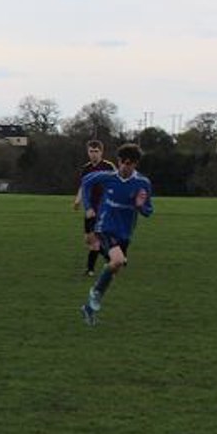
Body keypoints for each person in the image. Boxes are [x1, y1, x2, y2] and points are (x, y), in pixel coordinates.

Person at [79, 143, 153, 326]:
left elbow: (148, 211)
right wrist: (88, 207)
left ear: (135, 164)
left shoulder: (143, 183)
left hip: (124, 233)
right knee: (118, 260)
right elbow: (86, 182)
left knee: (115, 267)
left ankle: (89, 306)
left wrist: (140, 205)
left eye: (130, 163)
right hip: (105, 228)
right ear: (118, 161)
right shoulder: (107, 177)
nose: (125, 166)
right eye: (123, 162)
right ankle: (94, 295)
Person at [72, 139, 116, 276]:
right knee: (89, 239)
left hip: (104, 208)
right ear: (87, 152)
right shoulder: (86, 168)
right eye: (91, 151)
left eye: (96, 151)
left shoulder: (109, 167)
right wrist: (78, 200)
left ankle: (90, 269)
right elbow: (83, 186)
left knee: (96, 238)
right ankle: (112, 259)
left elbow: (117, 185)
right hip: (89, 207)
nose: (94, 154)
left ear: (101, 152)